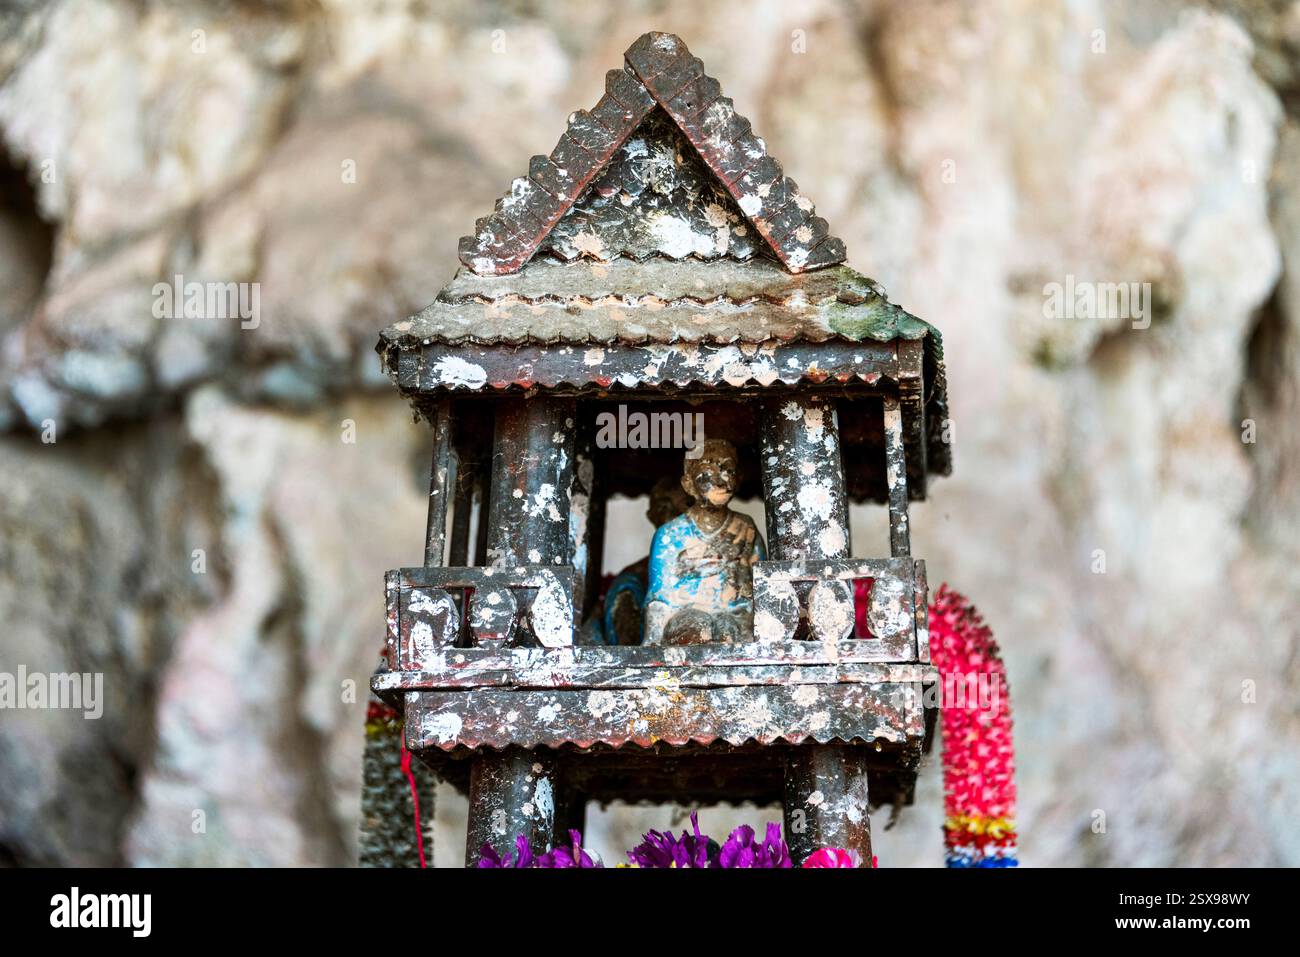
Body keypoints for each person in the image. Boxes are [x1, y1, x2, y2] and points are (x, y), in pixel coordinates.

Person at [644, 439, 764, 645]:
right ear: (688, 484)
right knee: (695, 628)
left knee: (731, 630)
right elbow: (659, 597)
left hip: (737, 615)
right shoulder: (670, 535)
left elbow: (762, 586)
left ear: (739, 478)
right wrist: (651, 641)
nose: (721, 480)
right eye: (707, 473)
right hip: (685, 613)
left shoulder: (746, 528)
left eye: (729, 470)